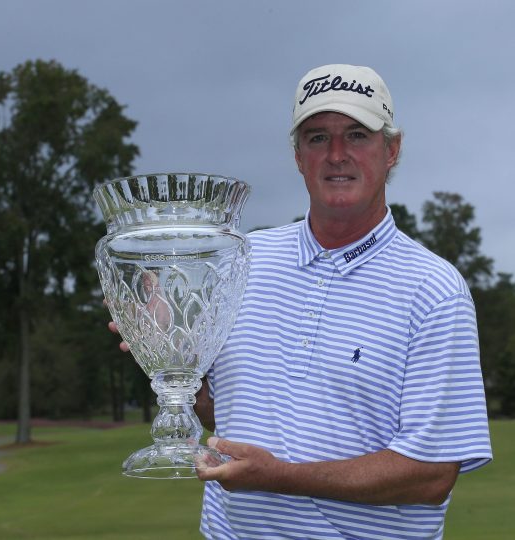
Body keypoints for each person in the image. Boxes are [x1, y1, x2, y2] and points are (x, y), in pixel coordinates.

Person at [112, 64, 492, 539]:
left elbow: (432, 474)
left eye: (357, 135)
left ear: (391, 150)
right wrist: (169, 353)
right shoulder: (241, 260)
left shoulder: (433, 288)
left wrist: (280, 477)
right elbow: (220, 412)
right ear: (297, 155)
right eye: (317, 138)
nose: (336, 155)